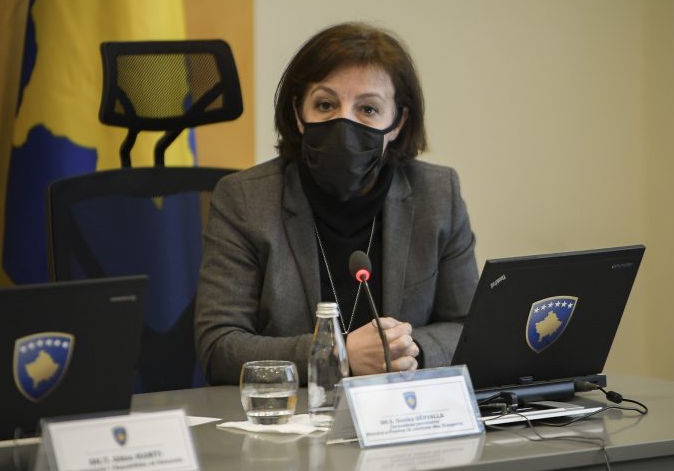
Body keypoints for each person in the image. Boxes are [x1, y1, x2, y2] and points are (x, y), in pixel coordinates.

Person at [194, 22, 478, 385]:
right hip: (294, 413)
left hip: (402, 410)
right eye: (325, 105)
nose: (344, 123)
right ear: (299, 114)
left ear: (397, 123)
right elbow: (219, 347)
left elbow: (468, 327)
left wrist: (407, 351)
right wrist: (335, 354)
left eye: (368, 109)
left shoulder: (437, 195)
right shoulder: (245, 199)